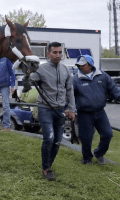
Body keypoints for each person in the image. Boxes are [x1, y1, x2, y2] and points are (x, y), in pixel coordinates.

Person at [29, 42, 76, 181]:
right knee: (49, 138)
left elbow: (69, 90)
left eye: (60, 52)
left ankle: (49, 165)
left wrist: (72, 109)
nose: (58, 55)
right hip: (45, 109)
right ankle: (46, 168)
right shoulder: (41, 69)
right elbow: (31, 81)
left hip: (60, 110)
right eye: (55, 52)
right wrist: (29, 72)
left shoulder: (66, 70)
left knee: (57, 141)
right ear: (48, 53)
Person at [72, 55, 120, 165]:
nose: (80, 67)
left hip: (100, 112)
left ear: (90, 64)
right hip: (84, 113)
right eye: (78, 65)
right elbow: (68, 95)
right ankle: (87, 158)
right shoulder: (75, 79)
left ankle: (99, 153)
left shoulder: (102, 76)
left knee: (108, 134)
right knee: (86, 138)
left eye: (82, 65)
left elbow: (113, 89)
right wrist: (67, 108)